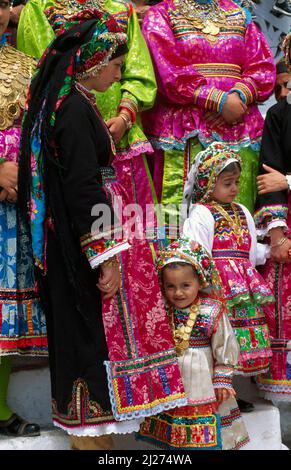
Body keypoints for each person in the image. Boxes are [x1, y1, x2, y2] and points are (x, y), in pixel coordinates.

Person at [18, 8, 186, 451]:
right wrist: (105, 256)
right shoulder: (73, 109)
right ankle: (90, 442)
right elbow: (82, 188)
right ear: (93, 62)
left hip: (74, 244)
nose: (117, 73)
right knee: (87, 340)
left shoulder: (72, 103)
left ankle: (98, 439)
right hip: (78, 250)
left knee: (89, 339)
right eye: (114, 64)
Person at [17, 0, 157, 232]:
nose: (117, 74)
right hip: (67, 131)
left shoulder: (122, 8)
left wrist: (125, 116)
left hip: (119, 139)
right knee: (80, 205)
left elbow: (140, 73)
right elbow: (43, 73)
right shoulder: (40, 7)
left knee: (133, 231)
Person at [141, 0, 275, 221]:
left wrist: (238, 97)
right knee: (183, 221)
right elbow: (165, 69)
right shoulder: (161, 15)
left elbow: (262, 66)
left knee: (239, 217)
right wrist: (217, 100)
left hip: (238, 127)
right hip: (186, 130)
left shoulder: (238, 13)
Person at [182, 143, 273, 410]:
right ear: (208, 183)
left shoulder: (243, 211)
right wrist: (208, 287)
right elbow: (197, 251)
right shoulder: (201, 213)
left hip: (243, 289)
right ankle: (213, 394)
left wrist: (272, 250)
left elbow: (251, 252)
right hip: (218, 290)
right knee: (218, 339)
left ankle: (230, 394)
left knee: (238, 339)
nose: (234, 188)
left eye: (236, 182)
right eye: (226, 183)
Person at [138, 239, 249, 450]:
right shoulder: (162, 310)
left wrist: (222, 380)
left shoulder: (211, 310)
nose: (178, 293)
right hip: (172, 381)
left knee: (208, 436)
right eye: (171, 286)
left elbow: (224, 346)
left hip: (203, 382)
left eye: (185, 285)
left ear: (200, 281)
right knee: (175, 434)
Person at [0, 0, 47, 437]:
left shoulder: (28, 67)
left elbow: (38, 130)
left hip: (13, 208)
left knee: (4, 311)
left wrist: (20, 174)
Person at [254, 40, 291, 402]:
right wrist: (277, 236)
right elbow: (269, 177)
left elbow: (281, 178)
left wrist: (289, 181)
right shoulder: (280, 116)